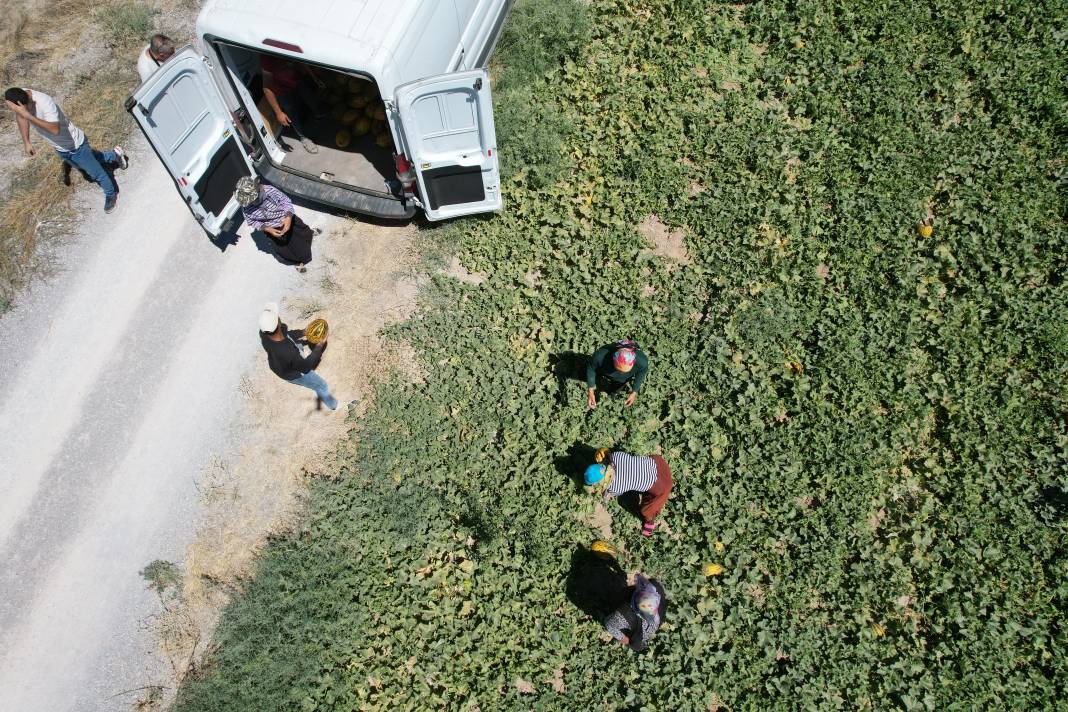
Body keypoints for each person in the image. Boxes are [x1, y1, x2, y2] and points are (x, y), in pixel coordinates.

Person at [4, 87, 128, 213]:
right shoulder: (19, 97)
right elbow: (21, 117)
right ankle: (115, 155)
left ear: (24, 103)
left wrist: (28, 115)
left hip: (75, 145)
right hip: (61, 147)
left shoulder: (45, 102)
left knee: (96, 173)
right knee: (89, 162)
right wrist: (27, 142)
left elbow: (54, 129)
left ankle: (112, 193)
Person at [258, 303, 338, 410]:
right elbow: (306, 367)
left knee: (295, 346)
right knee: (321, 385)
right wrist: (319, 346)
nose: (279, 316)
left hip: (278, 363)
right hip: (294, 374)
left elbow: (288, 335)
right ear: (278, 323)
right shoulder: (289, 352)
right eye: (277, 316)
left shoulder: (265, 333)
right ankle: (333, 406)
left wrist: (303, 332)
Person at [235, 177, 319, 272]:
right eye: (250, 201)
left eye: (255, 198)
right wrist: (267, 229)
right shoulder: (246, 208)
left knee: (302, 231)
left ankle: (309, 234)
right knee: (287, 248)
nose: (253, 203)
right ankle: (297, 261)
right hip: (273, 229)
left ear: (259, 188)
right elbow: (253, 221)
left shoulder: (269, 190)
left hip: (287, 218)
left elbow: (285, 201)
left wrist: (288, 217)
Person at [585, 448, 672, 536]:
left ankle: (649, 523)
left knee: (647, 509)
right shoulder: (616, 455)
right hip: (658, 462)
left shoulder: (615, 486)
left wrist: (605, 493)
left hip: (663, 484)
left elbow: (615, 494)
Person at [260, 55, 325, 154]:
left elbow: (301, 61)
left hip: (297, 80)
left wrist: (314, 78)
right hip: (281, 91)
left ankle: (319, 114)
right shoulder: (266, 58)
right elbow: (266, 87)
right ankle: (303, 138)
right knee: (291, 113)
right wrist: (278, 113)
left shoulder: (289, 44)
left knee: (309, 96)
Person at [604, 574, 666, 653]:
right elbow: (609, 624)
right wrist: (625, 639)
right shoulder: (622, 617)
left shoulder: (654, 586)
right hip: (629, 616)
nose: (654, 614)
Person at [586, 339, 649, 409]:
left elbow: (641, 373)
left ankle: (614, 393)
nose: (621, 373)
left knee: (619, 383)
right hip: (604, 370)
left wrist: (634, 392)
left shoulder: (642, 362)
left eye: (625, 371)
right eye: (619, 370)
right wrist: (590, 391)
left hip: (621, 380)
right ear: (613, 359)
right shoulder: (600, 356)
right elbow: (591, 368)